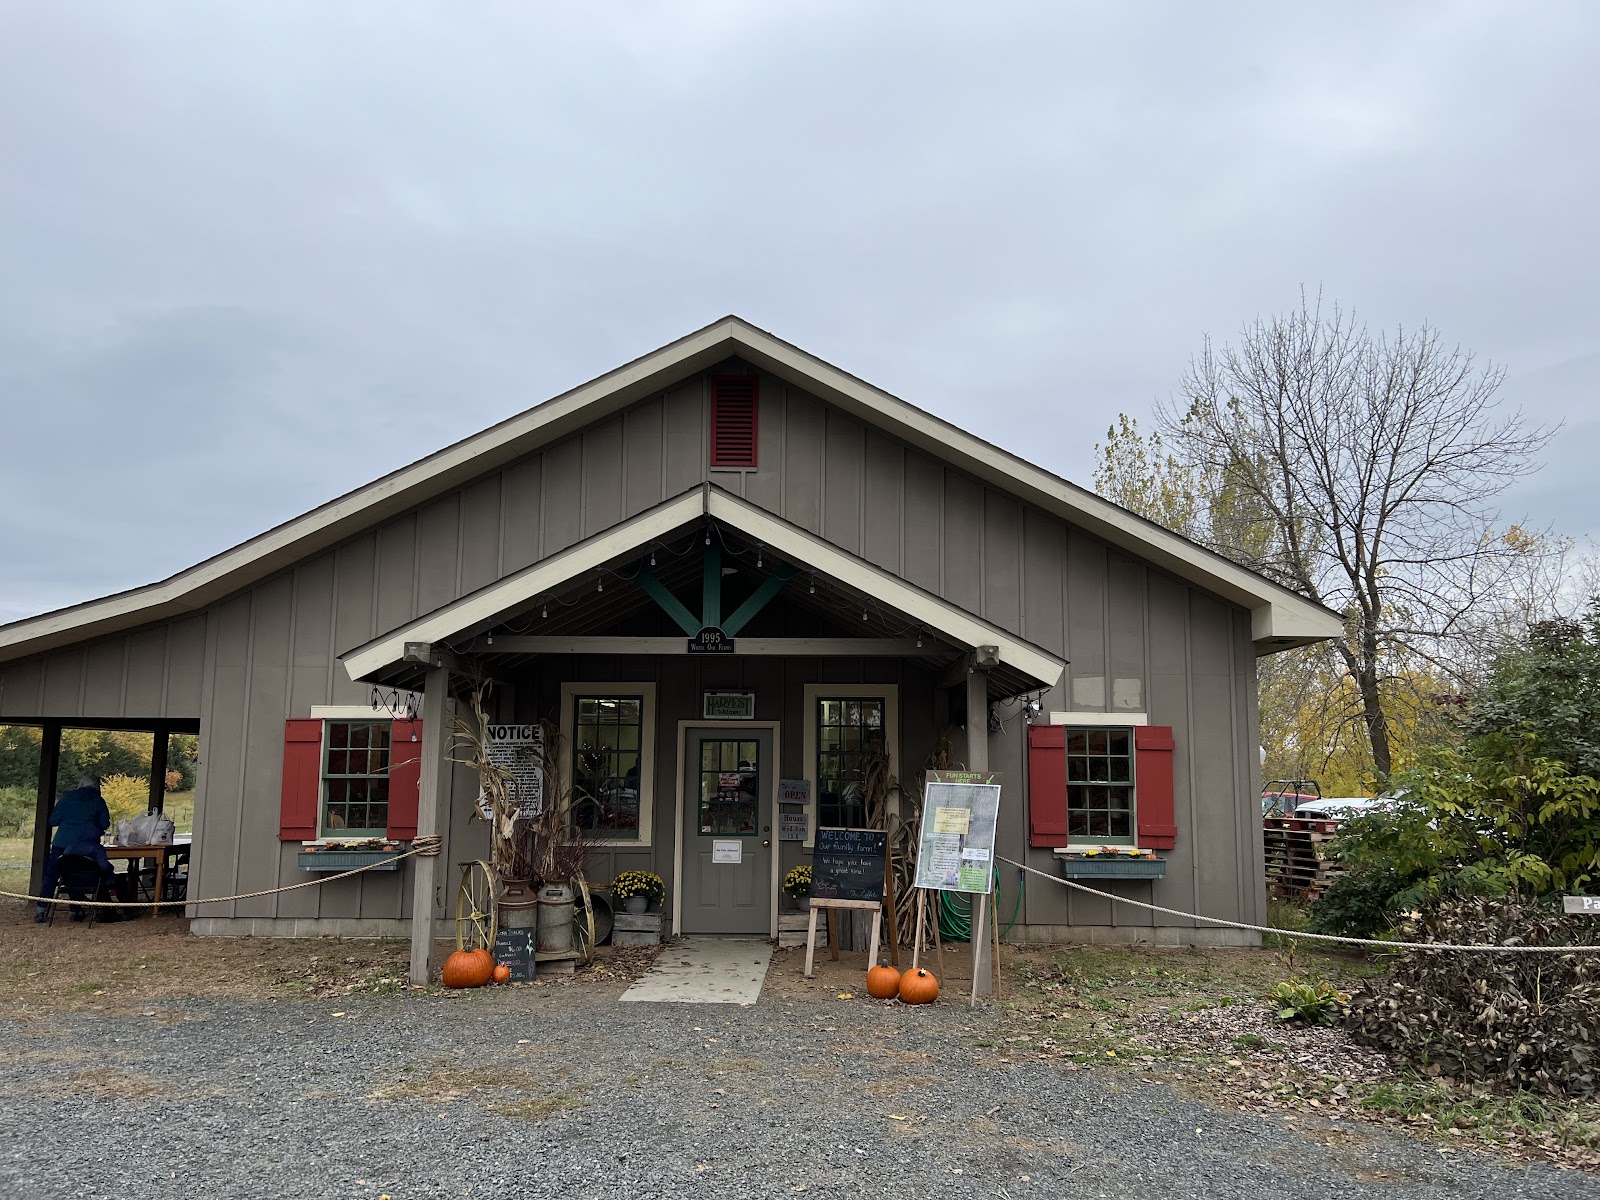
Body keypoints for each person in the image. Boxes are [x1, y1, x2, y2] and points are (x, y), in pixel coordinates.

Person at [35, 775, 118, 923]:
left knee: (52, 876)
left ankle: (41, 910)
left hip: (61, 843)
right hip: (84, 846)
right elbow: (104, 822)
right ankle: (75, 910)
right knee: (78, 875)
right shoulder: (98, 801)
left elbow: (53, 820)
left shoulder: (66, 799)